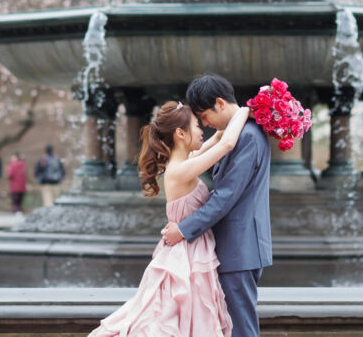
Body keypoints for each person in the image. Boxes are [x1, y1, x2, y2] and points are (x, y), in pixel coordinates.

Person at [91, 98, 250, 336]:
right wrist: (247, 109)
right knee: (187, 317)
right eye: (197, 125)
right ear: (180, 133)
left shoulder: (184, 163)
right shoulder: (181, 170)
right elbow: (226, 144)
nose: (201, 130)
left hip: (190, 247)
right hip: (187, 253)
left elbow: (218, 137)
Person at [161, 74, 272, 337]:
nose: (204, 123)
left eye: (204, 116)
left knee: (240, 328)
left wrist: (184, 229)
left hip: (240, 246)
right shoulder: (239, 132)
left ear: (220, 104)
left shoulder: (247, 137)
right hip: (236, 246)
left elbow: (225, 197)